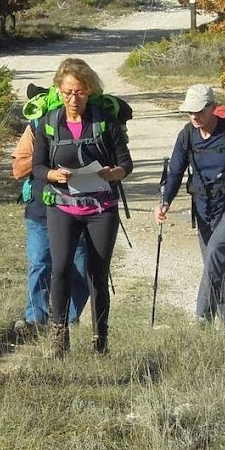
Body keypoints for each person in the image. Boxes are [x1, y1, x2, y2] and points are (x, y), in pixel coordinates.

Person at [29, 58, 133, 357]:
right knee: (59, 269)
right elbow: (37, 166)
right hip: (62, 206)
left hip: (101, 207)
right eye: (67, 92)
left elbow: (126, 162)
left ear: (90, 90)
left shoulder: (104, 121)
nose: (74, 99)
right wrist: (52, 175)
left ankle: (100, 339)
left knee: (97, 274)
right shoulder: (49, 123)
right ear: (58, 91)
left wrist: (115, 173)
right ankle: (59, 339)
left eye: (80, 92)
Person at [154, 83, 225, 335]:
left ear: (212, 108)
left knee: (214, 253)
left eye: (198, 111)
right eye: (189, 112)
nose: (193, 116)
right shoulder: (187, 134)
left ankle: (201, 321)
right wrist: (165, 201)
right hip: (203, 209)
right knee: (217, 265)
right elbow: (174, 172)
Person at [11, 108, 90, 337]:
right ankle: (35, 320)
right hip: (41, 210)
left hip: (79, 208)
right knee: (40, 263)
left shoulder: (88, 126)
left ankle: (69, 321)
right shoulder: (36, 126)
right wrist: (44, 157)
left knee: (79, 269)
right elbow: (18, 170)